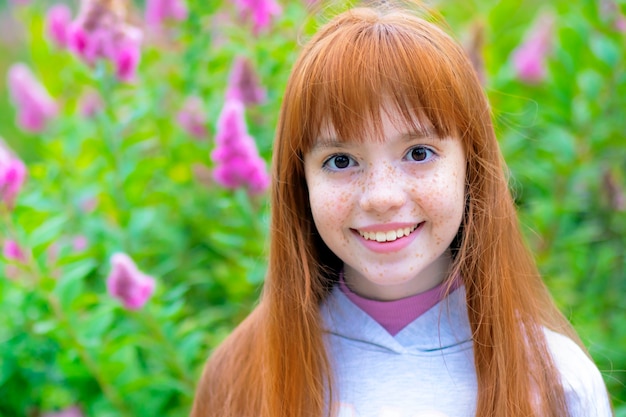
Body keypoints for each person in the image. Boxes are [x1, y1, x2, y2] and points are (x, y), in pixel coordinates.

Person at [190, 1, 613, 416]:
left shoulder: (558, 382)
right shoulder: (240, 377)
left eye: (418, 153)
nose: (382, 197)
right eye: (341, 160)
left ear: (472, 166)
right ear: (300, 182)